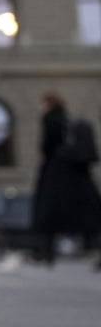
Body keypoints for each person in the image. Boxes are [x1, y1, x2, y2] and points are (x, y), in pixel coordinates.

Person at [38, 119, 101, 265]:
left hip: (66, 201)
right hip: (77, 201)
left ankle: (47, 254)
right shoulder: (74, 158)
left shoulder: (63, 156)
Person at [33, 94, 69, 264]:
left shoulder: (50, 120)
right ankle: (47, 251)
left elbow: (48, 144)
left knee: (46, 212)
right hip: (61, 169)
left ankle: (45, 251)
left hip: (52, 169)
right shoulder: (64, 120)